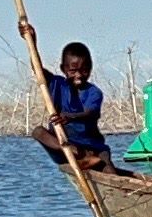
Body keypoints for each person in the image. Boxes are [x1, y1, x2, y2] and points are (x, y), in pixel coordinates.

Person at [31, 40, 117, 173]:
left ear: (90, 68)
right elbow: (37, 69)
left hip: (92, 147)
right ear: (63, 69)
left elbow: (91, 113)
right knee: (38, 132)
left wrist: (70, 117)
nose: (79, 76)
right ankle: (80, 155)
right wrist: (32, 40)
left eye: (84, 71)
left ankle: (90, 160)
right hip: (65, 146)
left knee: (109, 169)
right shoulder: (57, 84)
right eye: (73, 71)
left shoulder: (94, 92)